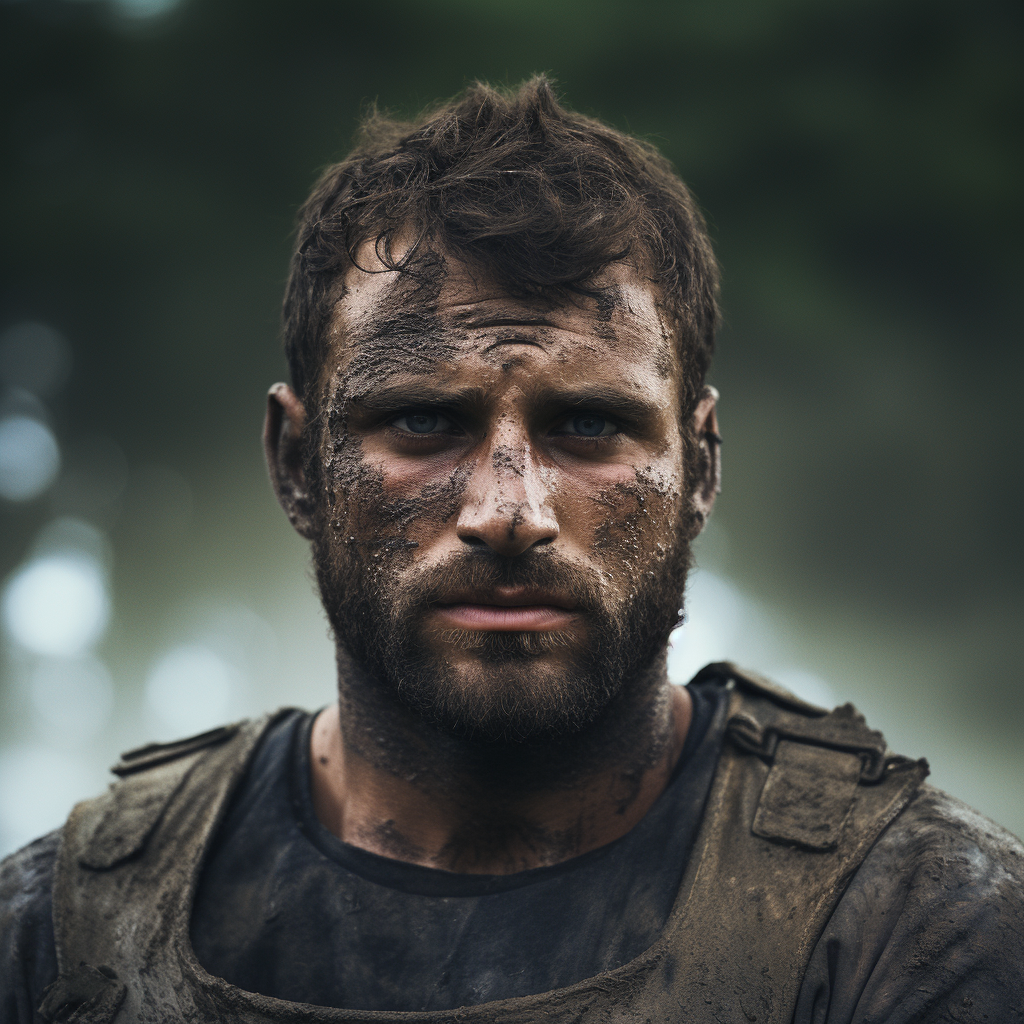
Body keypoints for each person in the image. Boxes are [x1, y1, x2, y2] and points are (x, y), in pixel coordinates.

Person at [2, 77, 1022, 1024]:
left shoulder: (916, 929)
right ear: (295, 463)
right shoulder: (62, 934)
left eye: (585, 426)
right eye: (420, 423)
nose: (507, 510)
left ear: (700, 467)